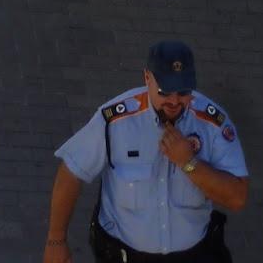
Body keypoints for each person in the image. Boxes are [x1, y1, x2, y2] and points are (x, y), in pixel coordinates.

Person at [46, 39, 249, 259]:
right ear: (147, 78)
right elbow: (71, 171)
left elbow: (237, 198)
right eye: (165, 91)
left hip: (193, 254)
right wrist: (56, 240)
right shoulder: (116, 121)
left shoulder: (212, 124)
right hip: (124, 254)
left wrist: (189, 163)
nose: (174, 101)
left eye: (183, 92)